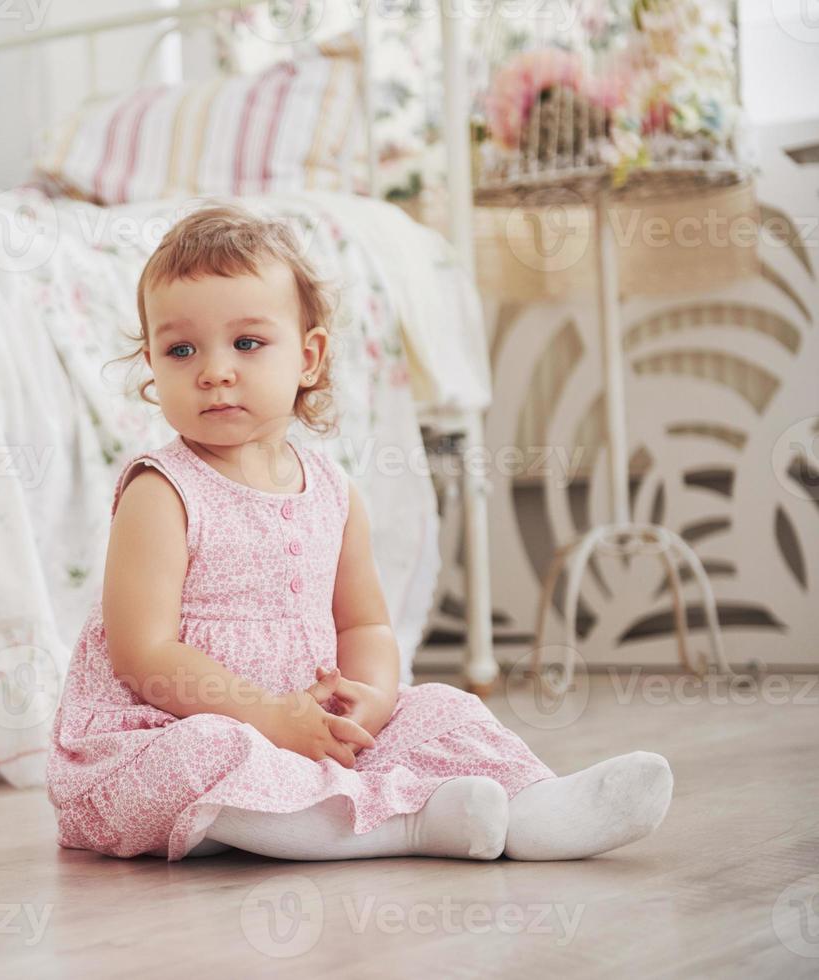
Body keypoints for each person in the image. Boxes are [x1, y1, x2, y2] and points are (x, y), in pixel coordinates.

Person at [44, 203, 673, 862]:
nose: (214, 370)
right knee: (212, 750)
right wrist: (267, 718)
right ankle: (408, 825)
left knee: (437, 707)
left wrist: (366, 705)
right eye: (180, 350)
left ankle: (532, 805)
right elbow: (141, 655)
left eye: (247, 343)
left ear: (309, 357)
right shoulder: (161, 491)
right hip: (164, 738)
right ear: (152, 364)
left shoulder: (333, 495)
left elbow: (364, 626)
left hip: (306, 729)